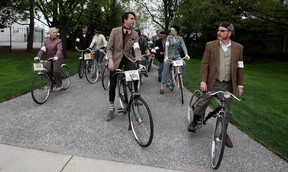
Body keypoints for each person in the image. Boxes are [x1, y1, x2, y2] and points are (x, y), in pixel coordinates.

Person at [187, 21, 244, 148]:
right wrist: (203, 81)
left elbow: (240, 67)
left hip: (229, 84)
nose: (219, 32)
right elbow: (204, 64)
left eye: (222, 31)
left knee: (227, 110)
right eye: (218, 30)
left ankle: (224, 133)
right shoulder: (210, 45)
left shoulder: (238, 48)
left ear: (229, 33)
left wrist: (240, 85)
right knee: (203, 102)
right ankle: (195, 122)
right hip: (213, 82)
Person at [106, 11, 145, 121]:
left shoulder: (135, 34)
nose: (134, 21)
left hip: (127, 58)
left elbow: (136, 49)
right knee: (113, 84)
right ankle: (111, 107)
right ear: (125, 20)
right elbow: (109, 48)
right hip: (115, 59)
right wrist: (110, 60)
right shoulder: (115, 31)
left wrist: (139, 62)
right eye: (132, 18)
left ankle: (135, 97)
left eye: (134, 19)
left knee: (136, 73)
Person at [160, 25, 190, 94]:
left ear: (176, 31)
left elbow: (183, 46)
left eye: (172, 30)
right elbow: (167, 47)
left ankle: (179, 77)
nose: (171, 31)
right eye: (170, 30)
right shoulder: (168, 37)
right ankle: (162, 85)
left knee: (184, 64)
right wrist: (166, 56)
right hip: (169, 56)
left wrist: (186, 54)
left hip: (177, 56)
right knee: (165, 69)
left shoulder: (180, 38)